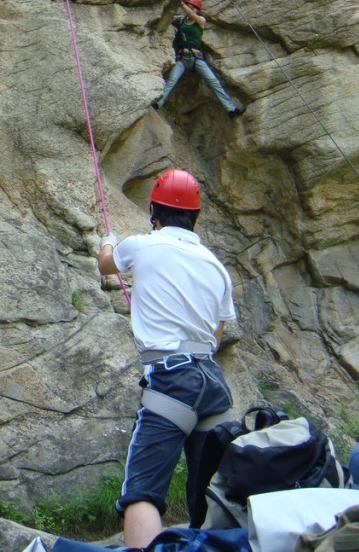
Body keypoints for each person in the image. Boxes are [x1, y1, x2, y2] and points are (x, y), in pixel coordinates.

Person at [97, 169, 237, 549]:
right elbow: (215, 337)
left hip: (172, 380)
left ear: (153, 212)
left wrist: (108, 242)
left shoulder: (142, 245)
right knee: (215, 496)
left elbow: (106, 265)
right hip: (213, 384)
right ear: (195, 217)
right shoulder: (217, 267)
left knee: (142, 493)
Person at [152, 0, 245, 117]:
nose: (191, 9)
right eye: (190, 7)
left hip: (196, 58)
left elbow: (192, 15)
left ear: (197, 10)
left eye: (194, 8)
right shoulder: (181, 20)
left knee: (213, 81)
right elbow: (170, 17)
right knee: (171, 79)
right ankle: (158, 103)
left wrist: (182, 4)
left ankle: (231, 109)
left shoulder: (200, 20)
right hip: (183, 58)